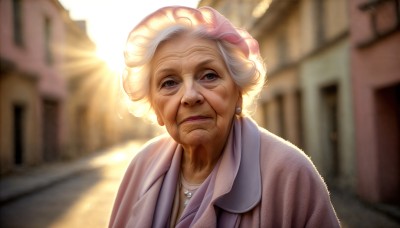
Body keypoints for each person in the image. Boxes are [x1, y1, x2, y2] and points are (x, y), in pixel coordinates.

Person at [109, 6, 340, 228]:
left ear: (238, 94)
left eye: (209, 76)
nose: (190, 96)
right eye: (169, 82)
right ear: (156, 108)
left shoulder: (290, 174)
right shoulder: (141, 165)